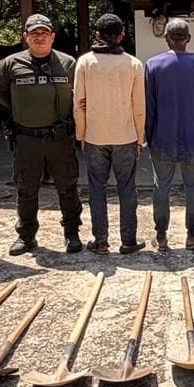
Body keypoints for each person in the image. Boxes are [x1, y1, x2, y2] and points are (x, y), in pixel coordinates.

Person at [0, 14, 83, 256]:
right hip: (27, 138)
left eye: (44, 33)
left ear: (52, 36)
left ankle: (72, 233)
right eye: (34, 33)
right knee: (26, 188)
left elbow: (78, 97)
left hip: (59, 138)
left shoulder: (68, 64)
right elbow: (0, 95)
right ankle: (26, 236)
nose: (39, 37)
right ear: (26, 37)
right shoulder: (10, 64)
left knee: (67, 186)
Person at [74, 14, 147, 255]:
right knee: (127, 188)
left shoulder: (84, 63)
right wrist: (139, 137)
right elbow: (139, 106)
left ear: (97, 34)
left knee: (97, 188)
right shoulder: (134, 64)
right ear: (121, 35)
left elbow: (78, 102)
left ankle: (101, 240)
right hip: (125, 135)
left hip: (95, 135)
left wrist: (81, 133)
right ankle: (128, 240)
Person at [144, 19, 194, 251]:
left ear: (166, 38)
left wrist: (148, 135)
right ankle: (192, 234)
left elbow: (150, 106)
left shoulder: (153, 65)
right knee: (193, 186)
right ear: (189, 38)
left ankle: (161, 235)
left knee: (161, 186)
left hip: (162, 137)